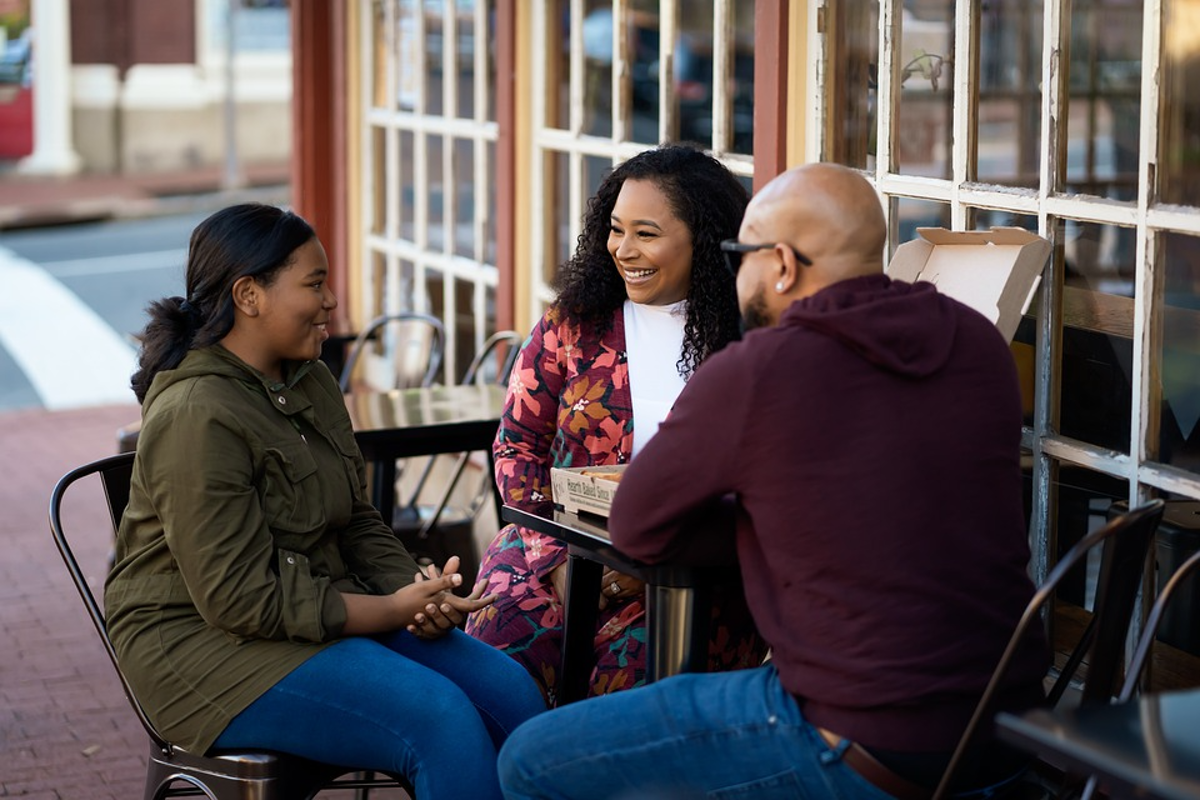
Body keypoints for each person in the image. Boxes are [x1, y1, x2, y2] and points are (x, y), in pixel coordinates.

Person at [496, 163, 1051, 799]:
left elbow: (636, 526)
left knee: (531, 761)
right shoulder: (977, 343)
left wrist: (751, 517)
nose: (736, 273)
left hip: (857, 738)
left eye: (741, 255)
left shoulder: (759, 368)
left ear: (781, 264)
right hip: (1013, 724)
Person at [104, 203, 545, 800]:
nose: (332, 300)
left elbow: (356, 518)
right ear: (249, 295)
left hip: (309, 610)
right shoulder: (196, 413)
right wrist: (388, 610)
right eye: (314, 283)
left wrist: (417, 595)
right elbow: (240, 599)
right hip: (202, 646)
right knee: (439, 718)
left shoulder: (308, 379)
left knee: (509, 690)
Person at [465, 143, 766, 704]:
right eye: (615, 229)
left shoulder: (750, 344)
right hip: (549, 553)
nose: (624, 250)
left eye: (646, 233)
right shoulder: (572, 325)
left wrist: (643, 561)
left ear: (702, 238)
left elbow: (761, 483)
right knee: (494, 666)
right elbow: (518, 445)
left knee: (626, 694)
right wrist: (559, 556)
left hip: (688, 575)